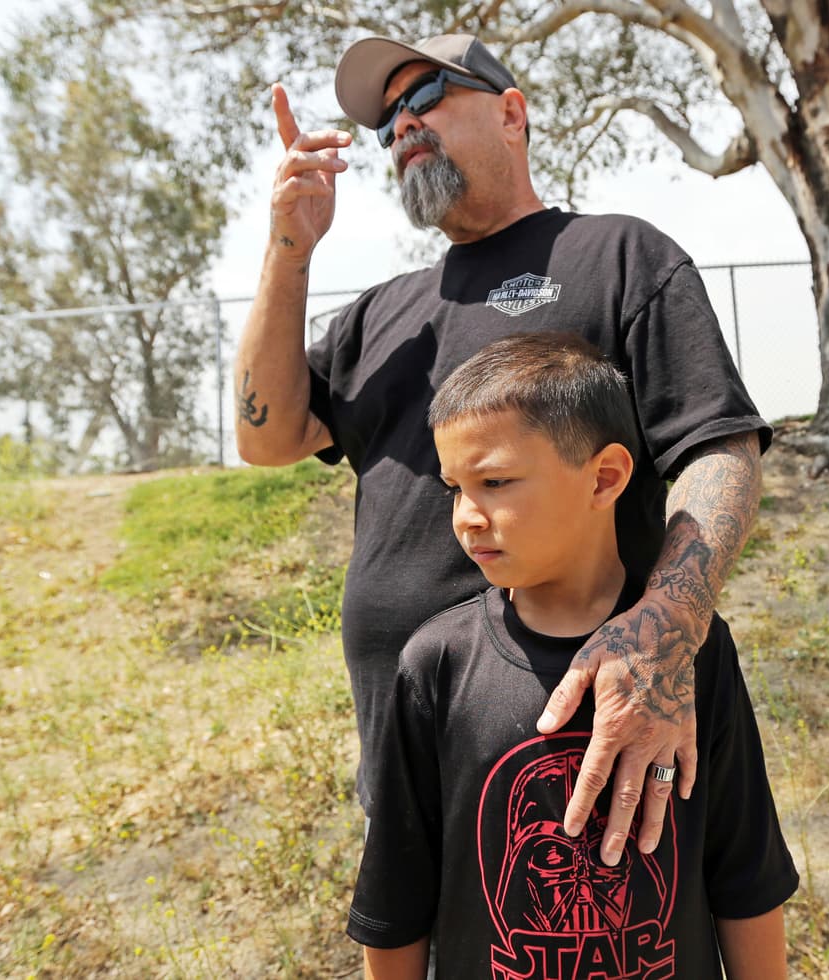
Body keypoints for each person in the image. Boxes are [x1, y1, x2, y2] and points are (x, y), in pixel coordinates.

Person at [235, 32, 771, 861]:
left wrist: (665, 632)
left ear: (512, 112)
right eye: (387, 124)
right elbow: (265, 436)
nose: (403, 127)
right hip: (410, 766)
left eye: (425, 98)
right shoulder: (383, 313)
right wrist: (289, 248)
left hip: (586, 767)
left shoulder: (620, 258)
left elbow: (719, 448)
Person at [348, 332, 797, 979]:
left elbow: (745, 873)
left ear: (605, 478)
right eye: (454, 488)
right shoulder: (437, 664)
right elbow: (397, 902)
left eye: (495, 481)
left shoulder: (690, 653)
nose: (467, 517)